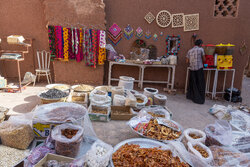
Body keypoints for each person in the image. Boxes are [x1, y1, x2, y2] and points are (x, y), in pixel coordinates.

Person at [186, 39, 206, 104]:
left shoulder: (189, 51)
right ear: (200, 44)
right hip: (199, 69)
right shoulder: (201, 50)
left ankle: (191, 96)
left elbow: (187, 61)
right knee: (200, 84)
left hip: (192, 69)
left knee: (193, 84)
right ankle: (199, 99)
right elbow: (204, 59)